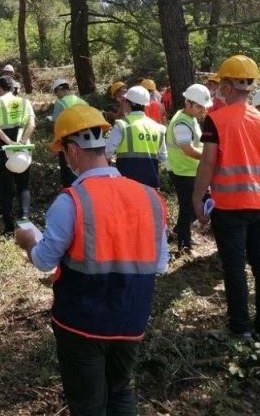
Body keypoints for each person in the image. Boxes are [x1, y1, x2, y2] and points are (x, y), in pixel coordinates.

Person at [15, 105, 168, 416]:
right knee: (120, 392)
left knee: (87, 404)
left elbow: (45, 261)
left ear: (72, 151)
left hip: (81, 323)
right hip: (131, 320)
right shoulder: (151, 198)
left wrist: (29, 241)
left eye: (63, 152)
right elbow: (160, 263)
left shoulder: (71, 201)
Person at [192, 55, 260, 341]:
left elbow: (208, 162)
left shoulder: (217, 119)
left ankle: (240, 329)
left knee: (235, 266)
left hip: (230, 207)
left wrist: (197, 197)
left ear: (226, 85)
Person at [0, 76, 36, 234]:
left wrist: (9, 142)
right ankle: (25, 222)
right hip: (23, 148)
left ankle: (8, 227)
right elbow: (32, 124)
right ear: (13, 88)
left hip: (4, 149)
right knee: (23, 186)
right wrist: (22, 141)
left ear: (0, 88)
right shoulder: (25, 102)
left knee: (5, 187)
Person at [165, 84, 212, 254]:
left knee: (191, 207)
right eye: (199, 106)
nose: (202, 110)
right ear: (188, 103)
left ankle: (181, 232)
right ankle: (184, 245)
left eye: (203, 107)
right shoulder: (181, 123)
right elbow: (188, 149)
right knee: (188, 208)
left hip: (189, 170)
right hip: (183, 171)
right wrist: (208, 157)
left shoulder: (188, 119)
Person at [105, 85, 167, 188]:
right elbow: (163, 157)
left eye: (125, 100)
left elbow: (107, 152)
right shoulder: (158, 128)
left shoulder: (122, 125)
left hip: (127, 183)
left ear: (128, 103)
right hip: (151, 183)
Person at [50, 79, 88, 188]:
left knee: (68, 169)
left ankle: (71, 193)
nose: (56, 95)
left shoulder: (61, 103)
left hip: (67, 139)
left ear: (59, 90)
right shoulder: (82, 101)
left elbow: (56, 123)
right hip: (84, 139)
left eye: (55, 92)